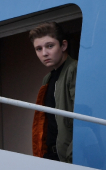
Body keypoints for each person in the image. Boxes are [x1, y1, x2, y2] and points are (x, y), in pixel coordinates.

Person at [29, 22, 77, 163]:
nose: (44, 53)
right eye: (38, 48)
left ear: (63, 45)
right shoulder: (48, 78)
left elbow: (83, 118)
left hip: (67, 157)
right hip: (49, 155)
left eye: (50, 46)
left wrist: (72, 156)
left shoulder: (73, 69)